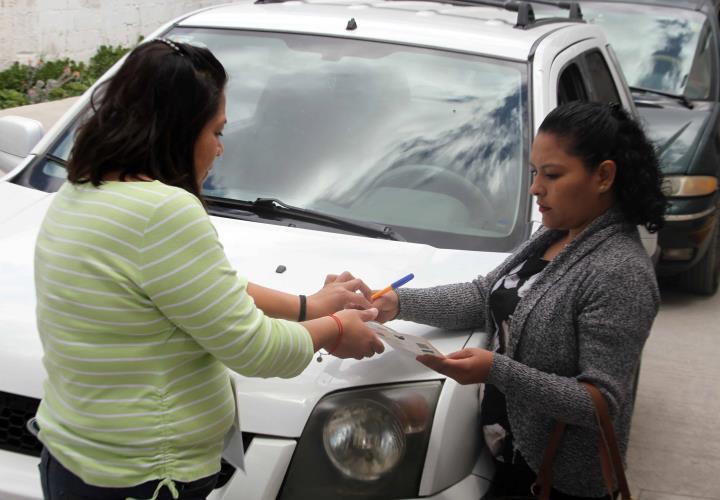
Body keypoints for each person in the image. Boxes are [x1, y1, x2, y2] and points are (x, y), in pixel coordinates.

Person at [33, 39, 384, 500]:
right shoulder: (163, 212)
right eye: (217, 131)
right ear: (177, 131)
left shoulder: (84, 190)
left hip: (72, 460)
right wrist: (337, 328)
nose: (220, 149)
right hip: (143, 478)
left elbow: (196, 290)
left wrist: (306, 305)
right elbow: (255, 350)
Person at [367, 101, 667, 498]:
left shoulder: (620, 272)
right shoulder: (555, 234)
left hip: (557, 482)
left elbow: (601, 403)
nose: (535, 188)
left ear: (604, 176)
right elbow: (483, 293)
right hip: (505, 457)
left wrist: (497, 370)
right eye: (534, 172)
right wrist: (398, 303)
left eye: (553, 174)